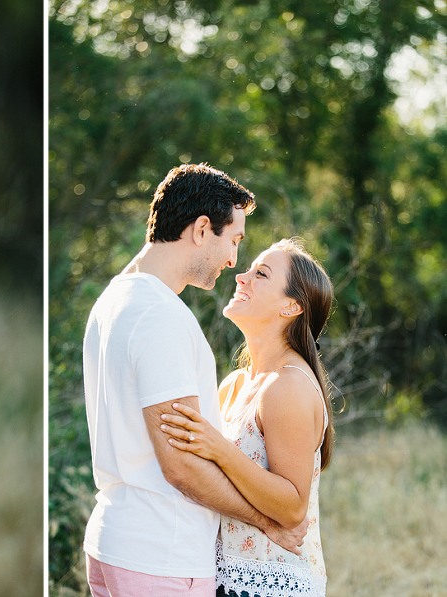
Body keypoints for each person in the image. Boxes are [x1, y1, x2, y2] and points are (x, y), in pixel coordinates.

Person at [80, 163, 307, 597]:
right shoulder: (159, 314)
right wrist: (266, 523)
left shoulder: (114, 299)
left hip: (117, 545)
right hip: (161, 558)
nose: (234, 261)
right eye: (234, 240)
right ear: (202, 229)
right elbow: (181, 465)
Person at [157, 238, 333, 596]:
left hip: (272, 581)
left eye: (261, 274)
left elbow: (293, 506)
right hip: (221, 574)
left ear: (290, 306)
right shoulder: (235, 384)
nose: (241, 276)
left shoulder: (289, 387)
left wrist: (220, 449)